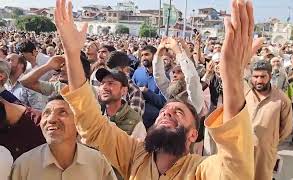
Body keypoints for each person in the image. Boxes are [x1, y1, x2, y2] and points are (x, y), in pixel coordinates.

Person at [55, 0, 254, 179]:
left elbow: (234, 171)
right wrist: (72, 54)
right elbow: (92, 124)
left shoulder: (200, 170)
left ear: (193, 135)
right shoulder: (135, 154)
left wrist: (232, 79)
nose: (166, 112)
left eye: (178, 112)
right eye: (164, 111)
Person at [10, 95, 117, 180]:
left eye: (62, 112)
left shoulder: (97, 162)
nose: (51, 119)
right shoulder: (24, 165)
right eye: (46, 113)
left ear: (78, 122)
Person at [245, 60, 293, 180]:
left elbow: (287, 128)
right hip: (243, 148)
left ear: (270, 76)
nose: (259, 80)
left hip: (265, 152)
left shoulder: (281, 99)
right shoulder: (245, 94)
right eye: (255, 76)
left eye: (263, 76)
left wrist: (270, 140)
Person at [95, 68, 146, 138]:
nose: (104, 87)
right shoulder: (95, 114)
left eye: (110, 83)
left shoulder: (135, 122)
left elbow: (138, 148)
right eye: (102, 83)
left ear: (124, 90)